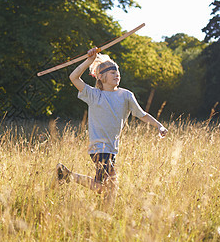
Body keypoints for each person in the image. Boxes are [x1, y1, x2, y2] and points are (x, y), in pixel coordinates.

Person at [56, 47, 167, 207]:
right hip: (99, 148)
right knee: (110, 186)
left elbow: (142, 114)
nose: (117, 74)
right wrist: (89, 61)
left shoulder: (126, 95)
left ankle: (67, 176)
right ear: (101, 76)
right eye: (112, 72)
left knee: (105, 187)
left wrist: (159, 126)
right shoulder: (94, 95)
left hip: (111, 149)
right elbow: (73, 77)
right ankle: (102, 214)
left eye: (117, 72)